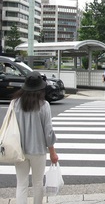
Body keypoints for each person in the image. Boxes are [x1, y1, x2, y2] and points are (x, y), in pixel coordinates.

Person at [12, 71, 59, 204]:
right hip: (38, 150)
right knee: (38, 182)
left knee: (21, 183)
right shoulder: (44, 105)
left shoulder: (15, 104)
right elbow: (48, 131)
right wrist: (52, 152)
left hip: (19, 150)